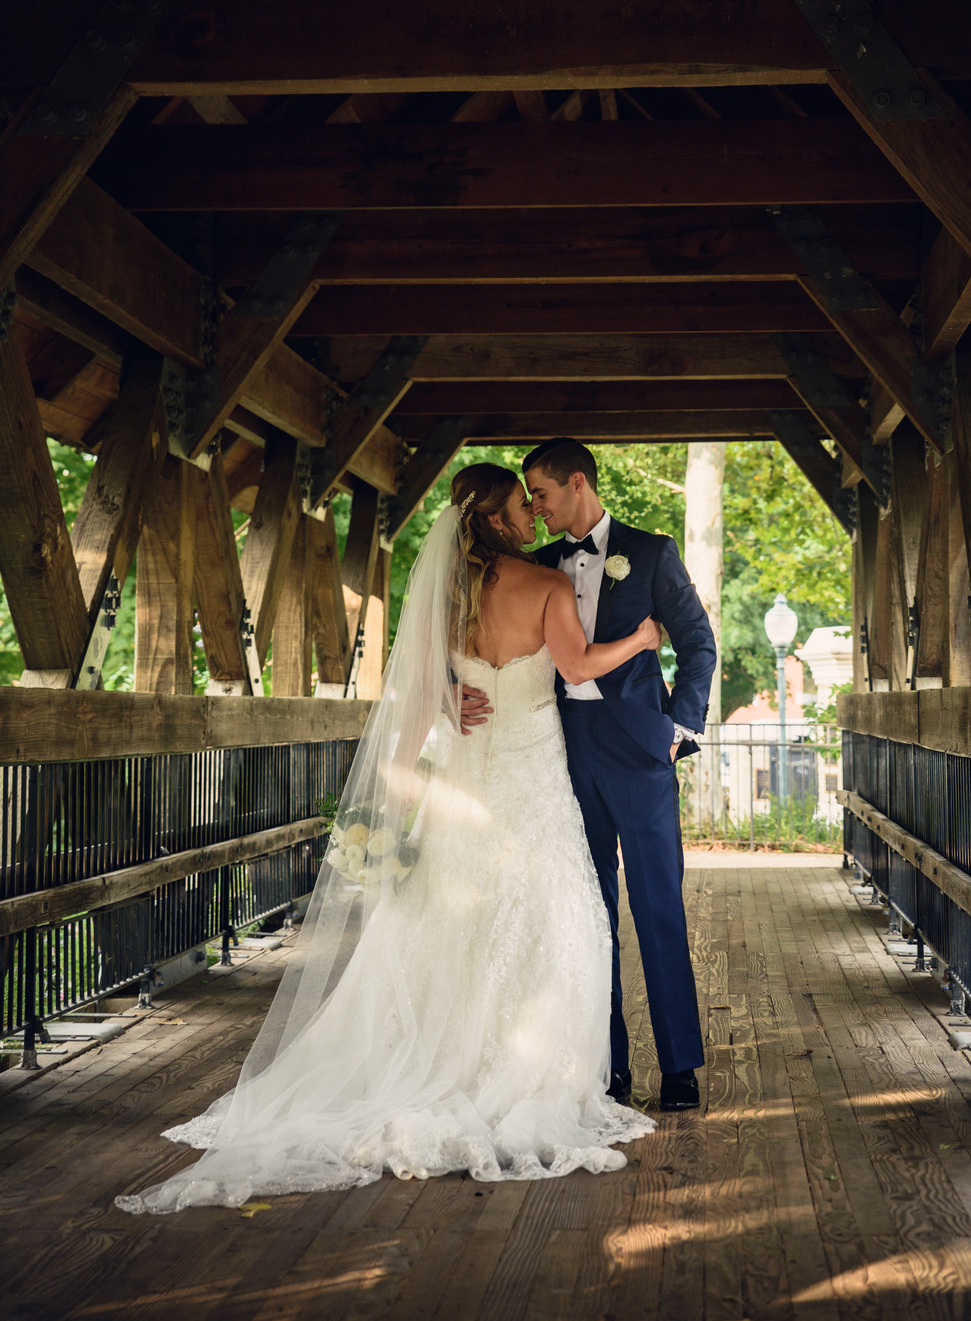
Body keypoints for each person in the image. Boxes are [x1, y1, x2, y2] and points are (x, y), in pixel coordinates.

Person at [116, 463, 658, 1214]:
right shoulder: (548, 588)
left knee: (443, 929)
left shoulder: (445, 595)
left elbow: (412, 704)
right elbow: (575, 666)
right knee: (557, 923)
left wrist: (386, 815)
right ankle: (521, 1078)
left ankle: (441, 1063)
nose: (534, 516)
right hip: (534, 784)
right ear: (496, 520)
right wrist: (641, 637)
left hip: (463, 787)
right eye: (521, 507)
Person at [521, 439, 716, 1112]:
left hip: (641, 749)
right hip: (564, 748)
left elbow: (698, 643)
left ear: (578, 483)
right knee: (589, 909)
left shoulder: (652, 551)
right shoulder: (539, 565)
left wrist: (679, 732)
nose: (534, 508)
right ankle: (609, 1067)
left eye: (541, 493)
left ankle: (681, 1066)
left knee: (657, 903)